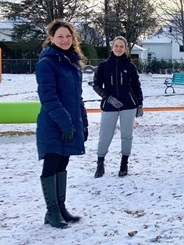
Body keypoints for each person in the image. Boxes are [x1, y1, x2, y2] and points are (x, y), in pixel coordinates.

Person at [35, 20, 89, 228]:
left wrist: (82, 123)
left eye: (68, 36)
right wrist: (64, 122)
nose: (64, 40)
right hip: (52, 123)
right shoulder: (46, 63)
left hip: (70, 123)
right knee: (52, 162)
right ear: (51, 39)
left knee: (63, 163)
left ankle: (61, 207)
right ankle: (52, 211)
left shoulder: (72, 63)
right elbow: (47, 96)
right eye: (60, 36)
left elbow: (77, 97)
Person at [91, 36, 144, 178]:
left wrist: (139, 104)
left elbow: (136, 86)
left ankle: (124, 163)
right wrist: (108, 97)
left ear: (125, 48)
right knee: (105, 135)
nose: (119, 49)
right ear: (112, 47)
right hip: (110, 105)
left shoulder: (130, 66)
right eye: (116, 46)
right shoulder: (103, 66)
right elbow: (96, 85)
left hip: (128, 105)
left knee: (127, 135)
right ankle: (100, 163)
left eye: (121, 46)